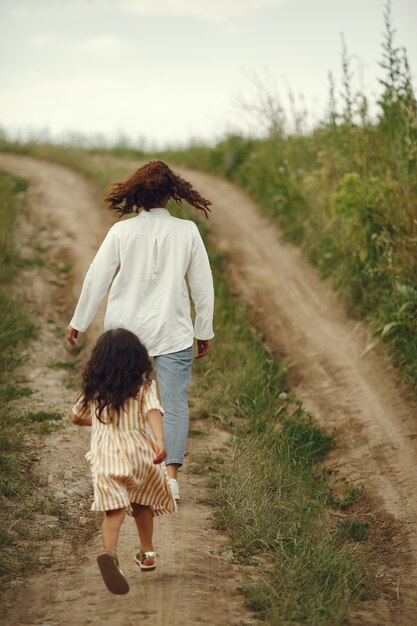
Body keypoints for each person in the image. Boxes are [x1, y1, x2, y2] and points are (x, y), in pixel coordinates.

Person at [66, 160, 214, 502]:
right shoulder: (187, 232)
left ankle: (124, 469)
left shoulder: (122, 231)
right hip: (173, 330)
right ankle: (170, 478)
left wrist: (79, 320)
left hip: (125, 334)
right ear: (170, 195)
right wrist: (203, 329)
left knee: (120, 397)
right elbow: (202, 287)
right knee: (174, 404)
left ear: (139, 194)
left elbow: (96, 277)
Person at [71, 328, 176, 595]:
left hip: (107, 454)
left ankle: (110, 555)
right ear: (137, 357)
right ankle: (147, 552)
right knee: (142, 503)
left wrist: (98, 420)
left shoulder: (95, 389)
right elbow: (153, 410)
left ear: (99, 360)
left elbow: (76, 416)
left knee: (114, 509)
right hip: (139, 453)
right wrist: (160, 440)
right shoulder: (143, 386)